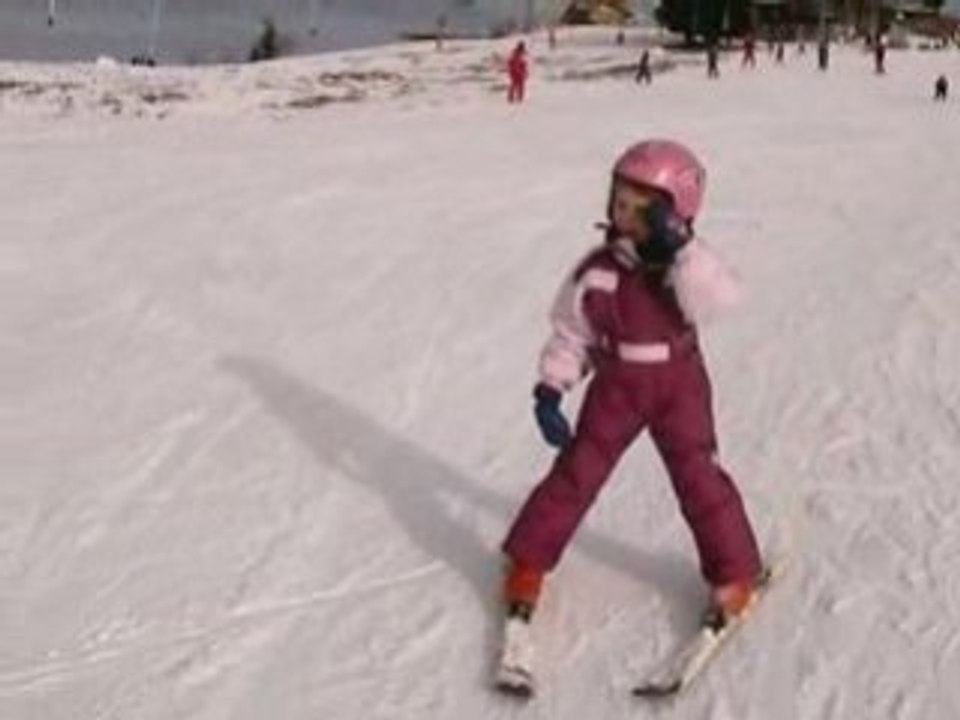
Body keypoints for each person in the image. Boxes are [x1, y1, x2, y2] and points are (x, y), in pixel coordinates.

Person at [500, 139, 764, 627]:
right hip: (617, 385)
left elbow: (720, 299)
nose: (623, 215)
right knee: (577, 472)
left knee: (698, 476)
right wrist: (551, 388)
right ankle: (528, 560)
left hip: (679, 384)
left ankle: (736, 573)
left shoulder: (686, 267)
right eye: (617, 201)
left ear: (674, 213)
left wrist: (680, 249)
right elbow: (572, 330)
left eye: (639, 208)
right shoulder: (598, 270)